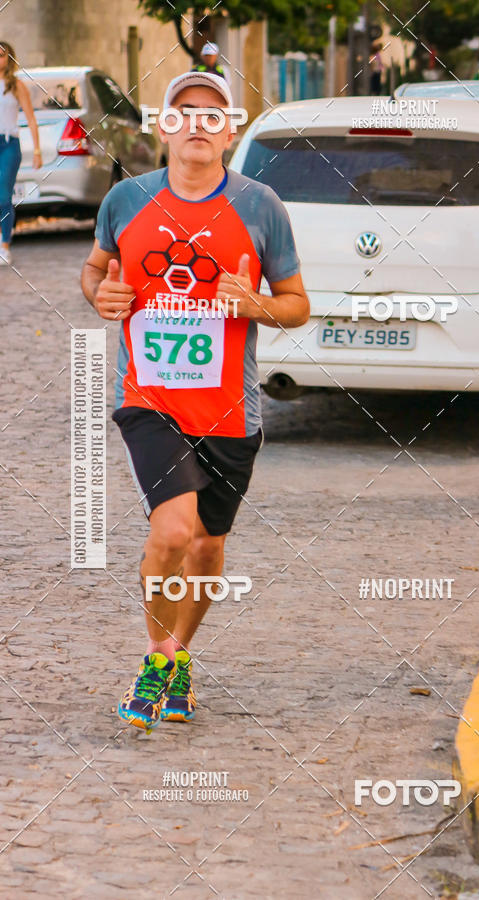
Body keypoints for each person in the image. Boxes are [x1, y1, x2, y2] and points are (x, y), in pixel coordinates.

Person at [81, 71, 309, 731]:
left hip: (230, 411)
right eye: (185, 113)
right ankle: (156, 657)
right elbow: (97, 269)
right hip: (149, 399)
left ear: (231, 130)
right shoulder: (125, 200)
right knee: (172, 532)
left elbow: (297, 304)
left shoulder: (261, 205)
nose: (199, 125)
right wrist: (99, 293)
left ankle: (181, 655)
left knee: (207, 547)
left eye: (214, 115)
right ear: (164, 127)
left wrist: (256, 302)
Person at [0, 40, 41, 265]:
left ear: (9, 59)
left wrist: (36, 150)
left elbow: (31, 119)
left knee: (3, 196)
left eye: (2, 55)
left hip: (8, 144)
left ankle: (5, 245)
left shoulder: (16, 86)